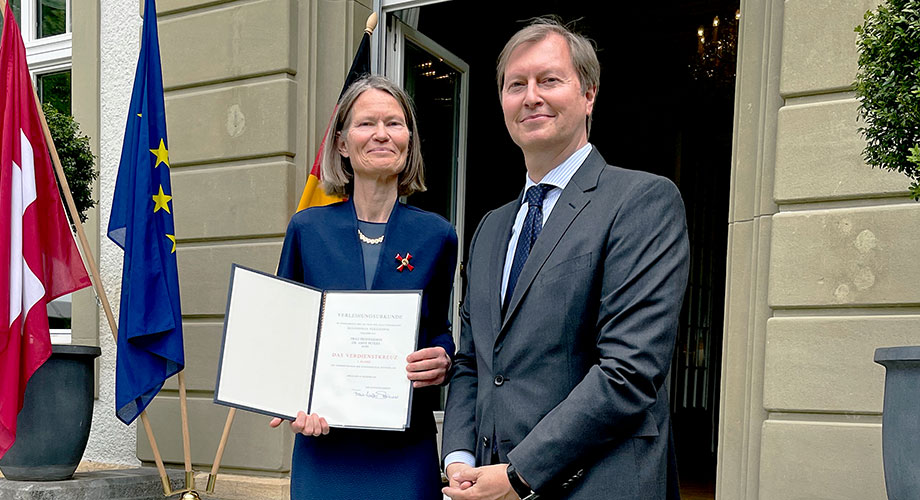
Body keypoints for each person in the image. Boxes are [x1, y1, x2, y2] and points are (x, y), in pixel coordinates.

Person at [441, 18, 688, 500]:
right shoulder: (491, 228)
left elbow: (629, 371)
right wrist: (458, 459)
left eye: (549, 80)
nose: (531, 96)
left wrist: (518, 475)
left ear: (589, 95)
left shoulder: (641, 201)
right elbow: (473, 361)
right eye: (516, 85)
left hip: (600, 485)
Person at [270, 74, 458, 500]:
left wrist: (442, 358)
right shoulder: (307, 228)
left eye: (394, 123)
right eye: (366, 123)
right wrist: (290, 403)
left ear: (409, 139)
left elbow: (437, 327)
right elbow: (284, 336)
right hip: (325, 442)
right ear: (341, 143)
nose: (381, 134)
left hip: (404, 447)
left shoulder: (437, 235)